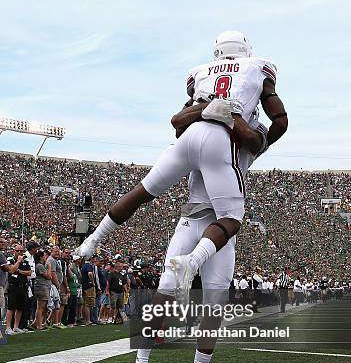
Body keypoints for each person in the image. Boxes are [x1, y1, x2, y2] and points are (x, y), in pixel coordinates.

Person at [76, 31, 288, 304]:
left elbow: (177, 124)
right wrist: (229, 114)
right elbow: (275, 126)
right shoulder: (256, 77)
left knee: (142, 193)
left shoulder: (201, 76)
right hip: (215, 177)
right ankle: (192, 263)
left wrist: (208, 107)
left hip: (190, 168)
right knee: (232, 223)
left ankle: (94, 238)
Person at [125, 100, 286, 363]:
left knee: (215, 306)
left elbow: (260, 138)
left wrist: (234, 115)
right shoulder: (203, 120)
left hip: (224, 225)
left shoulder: (251, 129)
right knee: (166, 289)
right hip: (193, 217)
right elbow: (178, 123)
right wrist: (208, 107)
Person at [3, 243, 32, 335]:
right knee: (11, 307)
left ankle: (16, 327)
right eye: (17, 251)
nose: (19, 252)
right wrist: (18, 262)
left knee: (20, 307)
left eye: (21, 251)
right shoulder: (10, 259)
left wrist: (19, 271)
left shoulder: (25, 260)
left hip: (23, 286)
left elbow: (29, 272)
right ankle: (8, 327)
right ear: (13, 251)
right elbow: (11, 270)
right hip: (13, 286)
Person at [34, 249, 52, 330]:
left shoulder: (42, 265)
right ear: (41, 257)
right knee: (40, 307)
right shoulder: (39, 266)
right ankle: (38, 325)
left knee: (44, 307)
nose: (46, 257)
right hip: (41, 287)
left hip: (45, 286)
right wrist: (49, 267)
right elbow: (48, 276)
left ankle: (39, 323)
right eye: (44, 255)